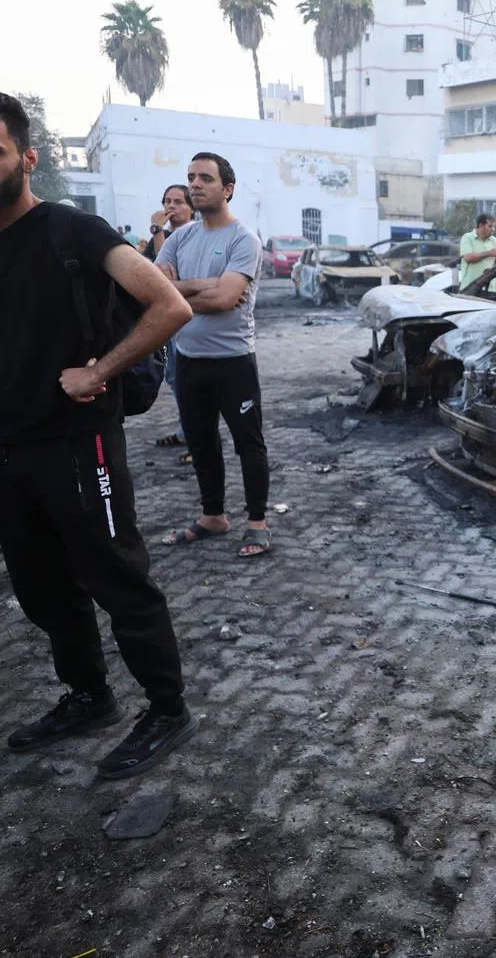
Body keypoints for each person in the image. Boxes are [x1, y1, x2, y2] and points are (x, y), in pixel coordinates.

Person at [0, 92, 198, 779]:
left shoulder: (70, 229)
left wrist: (99, 371)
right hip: (12, 448)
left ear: (27, 158)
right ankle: (89, 695)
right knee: (41, 587)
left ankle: (168, 709)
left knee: (117, 577)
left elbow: (169, 305)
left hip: (79, 441)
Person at [157, 152, 270, 558]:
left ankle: (257, 523)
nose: (195, 184)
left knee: (248, 443)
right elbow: (156, 289)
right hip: (189, 359)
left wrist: (178, 293)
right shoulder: (180, 238)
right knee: (201, 442)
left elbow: (226, 300)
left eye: (206, 178)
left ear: (228, 188)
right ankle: (213, 516)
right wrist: (204, 286)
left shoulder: (243, 239)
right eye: (191, 177)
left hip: (233, 361)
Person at [145, 186, 195, 451]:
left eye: (178, 201)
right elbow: (152, 273)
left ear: (191, 208)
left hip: (190, 320)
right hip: (168, 322)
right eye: (167, 201)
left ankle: (195, 439)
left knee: (189, 381)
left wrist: (157, 232)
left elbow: (166, 274)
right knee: (174, 377)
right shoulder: (164, 236)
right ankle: (186, 431)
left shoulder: (194, 235)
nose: (171, 206)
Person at [458, 213, 496, 289]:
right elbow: (468, 257)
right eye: (490, 226)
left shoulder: (494, 240)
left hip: (490, 289)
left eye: (494, 226)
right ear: (481, 226)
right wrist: (489, 253)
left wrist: (493, 271)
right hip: (469, 289)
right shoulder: (467, 238)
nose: (493, 229)